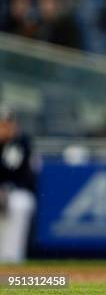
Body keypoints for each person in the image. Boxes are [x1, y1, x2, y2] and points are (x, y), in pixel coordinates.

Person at [0, 106, 36, 263]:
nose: (5, 128)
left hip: (16, 190)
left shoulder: (20, 142)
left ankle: (12, 259)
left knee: (19, 204)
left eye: (8, 124)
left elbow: (13, 172)